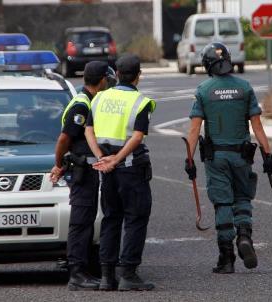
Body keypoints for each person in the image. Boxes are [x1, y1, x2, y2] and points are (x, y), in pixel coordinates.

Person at [184, 42, 272, 274]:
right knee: (243, 198)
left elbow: (194, 130)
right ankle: (244, 235)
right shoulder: (244, 88)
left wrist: (190, 159)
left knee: (223, 202)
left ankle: (226, 258)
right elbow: (258, 126)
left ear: (206, 65)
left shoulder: (204, 90)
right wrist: (267, 154)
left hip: (217, 158)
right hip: (242, 155)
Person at [84, 54, 156, 291]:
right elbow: (137, 136)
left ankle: (106, 276)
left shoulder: (99, 98)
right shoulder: (140, 101)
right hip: (130, 169)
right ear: (138, 76)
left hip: (107, 170)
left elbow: (88, 130)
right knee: (136, 218)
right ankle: (128, 274)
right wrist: (117, 158)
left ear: (116, 73)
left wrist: (101, 157)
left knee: (111, 219)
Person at [50, 61, 114, 291]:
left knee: (86, 221)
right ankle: (76, 273)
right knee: (81, 221)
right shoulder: (81, 105)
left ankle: (83, 269)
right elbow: (64, 139)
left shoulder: (89, 100)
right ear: (103, 80)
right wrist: (58, 165)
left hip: (86, 170)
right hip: (81, 172)